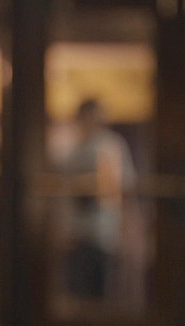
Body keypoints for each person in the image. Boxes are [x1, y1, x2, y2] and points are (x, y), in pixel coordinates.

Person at [60, 98, 137, 301]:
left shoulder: (110, 146)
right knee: (79, 292)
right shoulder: (74, 152)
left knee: (103, 292)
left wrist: (128, 230)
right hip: (78, 233)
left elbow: (125, 190)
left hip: (105, 232)